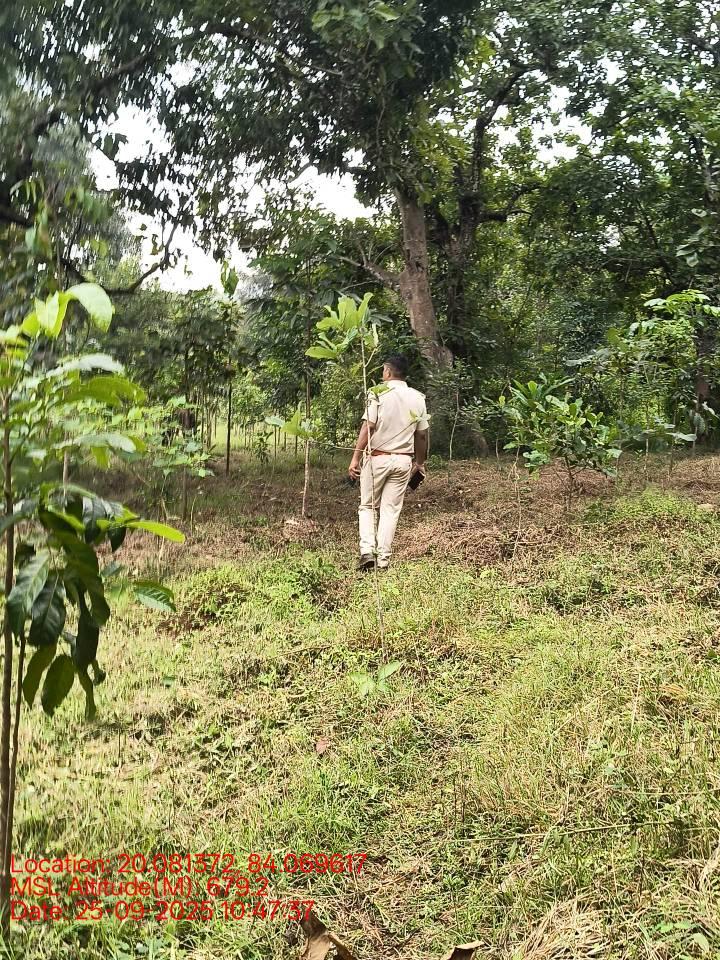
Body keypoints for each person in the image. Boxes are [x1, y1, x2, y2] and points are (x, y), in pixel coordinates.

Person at [348, 354, 429, 571]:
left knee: (368, 506)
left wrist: (355, 458)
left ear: (388, 371)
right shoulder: (417, 398)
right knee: (390, 510)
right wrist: (420, 463)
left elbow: (368, 426)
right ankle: (383, 560)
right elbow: (422, 435)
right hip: (403, 460)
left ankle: (367, 551)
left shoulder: (377, 392)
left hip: (377, 458)